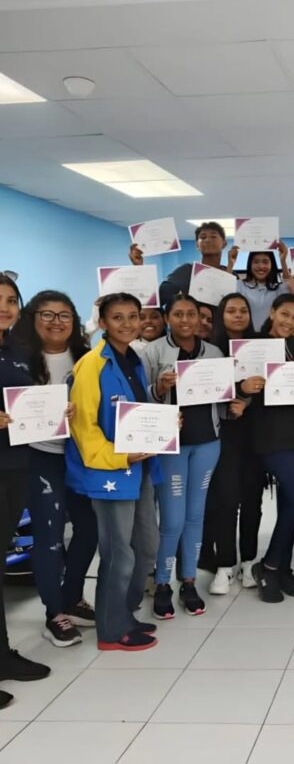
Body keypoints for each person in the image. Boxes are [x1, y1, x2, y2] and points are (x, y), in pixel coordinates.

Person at [66, 292, 162, 650]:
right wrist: (119, 458)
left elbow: (138, 413)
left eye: (133, 317)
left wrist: (166, 425)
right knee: (118, 552)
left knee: (145, 548)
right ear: (103, 323)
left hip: (142, 467)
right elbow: (84, 427)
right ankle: (110, 630)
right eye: (117, 318)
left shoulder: (134, 360)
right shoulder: (91, 365)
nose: (127, 324)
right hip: (108, 471)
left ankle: (123, 613)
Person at [11, 291, 97, 647]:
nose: (56, 321)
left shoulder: (87, 357)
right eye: (47, 314)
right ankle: (53, 613)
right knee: (48, 538)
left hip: (79, 453)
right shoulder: (17, 360)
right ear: (32, 318)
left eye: (64, 315)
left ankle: (72, 597)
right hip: (40, 455)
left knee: (90, 530)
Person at [141, 293, 225, 618]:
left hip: (208, 443)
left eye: (192, 314)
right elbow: (141, 398)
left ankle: (188, 581)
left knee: (195, 516)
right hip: (171, 445)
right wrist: (159, 388)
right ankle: (162, 583)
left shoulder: (214, 352)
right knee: (172, 520)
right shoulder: (153, 352)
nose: (186, 320)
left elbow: (223, 398)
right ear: (168, 317)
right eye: (179, 314)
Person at [242, 294, 294, 602]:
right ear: (273, 312)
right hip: (270, 435)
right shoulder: (253, 345)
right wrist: (243, 387)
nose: (289, 322)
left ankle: (281, 568)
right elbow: (237, 388)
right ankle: (269, 565)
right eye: (285, 314)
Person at [0, 274, 51, 705]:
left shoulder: (17, 350)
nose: (5, 307)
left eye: (11, 300)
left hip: (15, 465)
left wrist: (56, 411)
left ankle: (2, 655)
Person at [203, 293, 266, 594]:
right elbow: (203, 389)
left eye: (243, 310)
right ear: (221, 314)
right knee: (226, 500)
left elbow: (272, 388)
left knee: (252, 499)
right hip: (223, 433)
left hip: (256, 432)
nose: (238, 315)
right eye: (231, 310)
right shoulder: (209, 350)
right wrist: (238, 392)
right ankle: (225, 564)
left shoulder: (261, 347)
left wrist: (247, 399)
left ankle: (249, 561)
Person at [129, 221, 238, 309]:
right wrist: (140, 268)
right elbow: (158, 299)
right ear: (197, 245)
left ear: (224, 243)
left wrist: (230, 267)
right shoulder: (185, 271)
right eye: (203, 237)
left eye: (213, 237)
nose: (208, 240)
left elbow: (231, 304)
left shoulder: (231, 273)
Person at [236, 245, 294, 332]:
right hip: (245, 339)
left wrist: (282, 260)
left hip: (273, 339)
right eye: (256, 262)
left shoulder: (279, 287)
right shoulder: (239, 285)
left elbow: (293, 304)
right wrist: (231, 263)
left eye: (265, 262)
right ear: (250, 264)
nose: (261, 266)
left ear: (272, 265)